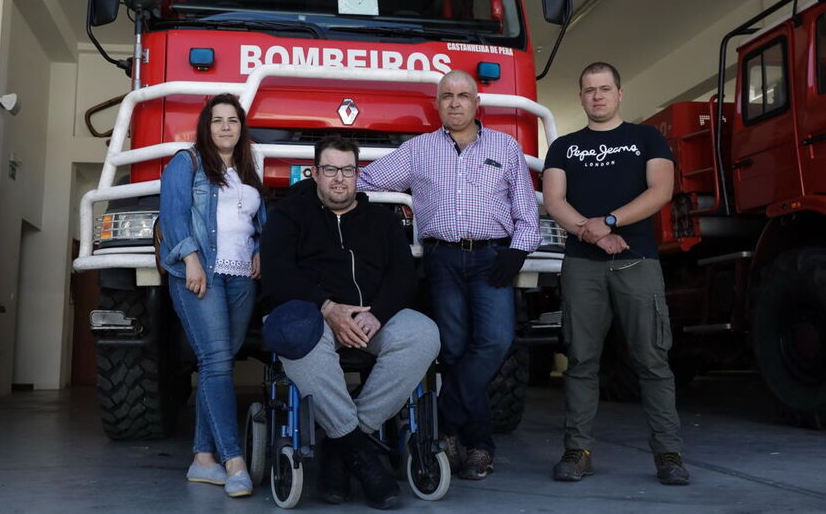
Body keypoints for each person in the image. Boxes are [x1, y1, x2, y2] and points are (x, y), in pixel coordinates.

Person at [358, 70, 540, 480]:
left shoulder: (505, 147)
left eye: (462, 96)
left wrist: (516, 252)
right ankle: (477, 446)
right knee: (454, 351)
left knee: (496, 341)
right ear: (437, 105)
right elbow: (366, 180)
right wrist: (321, 184)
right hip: (442, 260)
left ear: (478, 104)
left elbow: (527, 214)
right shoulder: (417, 150)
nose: (454, 103)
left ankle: (441, 420)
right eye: (446, 97)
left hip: (493, 258)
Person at [261, 135, 441, 510]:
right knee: (296, 336)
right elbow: (277, 273)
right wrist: (327, 307)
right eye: (330, 170)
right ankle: (360, 455)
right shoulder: (288, 215)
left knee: (423, 335)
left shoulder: (381, 220)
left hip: (372, 315)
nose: (338, 179)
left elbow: (403, 276)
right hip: (315, 314)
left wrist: (378, 313)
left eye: (347, 170)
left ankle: (341, 442)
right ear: (315, 172)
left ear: (358, 175)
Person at [542, 62, 689, 485]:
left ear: (619, 94)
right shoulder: (564, 147)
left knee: (652, 360)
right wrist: (597, 235)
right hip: (583, 267)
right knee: (582, 362)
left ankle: (669, 455)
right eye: (589, 90)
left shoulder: (646, 138)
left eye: (605, 89)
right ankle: (577, 451)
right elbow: (555, 201)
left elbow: (661, 190)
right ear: (581, 96)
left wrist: (609, 221)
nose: (597, 96)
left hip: (637, 262)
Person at [159, 93, 266, 498]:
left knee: (217, 362)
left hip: (241, 277)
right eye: (217, 120)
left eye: (233, 120)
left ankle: (202, 459)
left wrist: (259, 249)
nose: (225, 127)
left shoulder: (248, 167)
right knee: (217, 362)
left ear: (241, 128)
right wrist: (190, 259)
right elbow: (172, 214)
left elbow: (254, 217)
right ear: (206, 127)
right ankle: (234, 460)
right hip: (202, 273)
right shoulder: (186, 163)